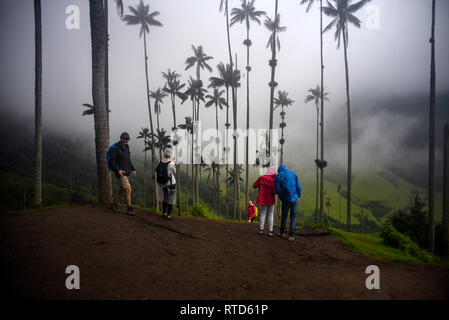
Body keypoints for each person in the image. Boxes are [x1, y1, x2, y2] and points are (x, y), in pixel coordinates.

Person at [108, 132, 137, 215]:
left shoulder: (127, 147)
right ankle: (129, 208)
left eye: (127, 139)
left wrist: (133, 169)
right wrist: (118, 170)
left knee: (121, 190)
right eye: (124, 138)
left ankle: (113, 204)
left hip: (127, 172)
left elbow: (128, 160)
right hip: (121, 173)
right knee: (128, 190)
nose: (125, 140)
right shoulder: (116, 148)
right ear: (121, 138)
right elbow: (112, 161)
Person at [275, 165, 301, 241]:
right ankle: (291, 236)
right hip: (295, 198)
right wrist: (298, 195)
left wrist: (281, 197)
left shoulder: (278, 176)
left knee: (284, 216)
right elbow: (298, 186)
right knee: (293, 217)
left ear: (279, 170)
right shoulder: (294, 174)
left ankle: (282, 233)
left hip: (286, 199)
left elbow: (277, 189)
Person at [253, 166, 276, 236]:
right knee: (270, 214)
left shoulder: (261, 178)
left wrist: (260, 186)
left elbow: (254, 185)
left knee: (263, 213)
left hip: (263, 199)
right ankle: (270, 231)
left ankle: (261, 229)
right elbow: (275, 191)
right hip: (271, 200)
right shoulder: (273, 180)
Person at [156, 150, 177, 220]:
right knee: (171, 199)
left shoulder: (160, 162)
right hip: (171, 183)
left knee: (165, 198)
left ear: (164, 155)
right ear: (170, 155)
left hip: (163, 183)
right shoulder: (171, 163)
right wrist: (173, 162)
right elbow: (174, 171)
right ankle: (168, 215)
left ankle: (164, 213)